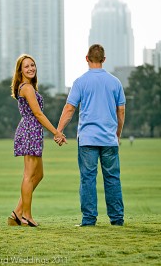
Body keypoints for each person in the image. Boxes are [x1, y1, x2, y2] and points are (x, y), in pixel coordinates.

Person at [55, 44, 126, 226]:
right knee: (112, 178)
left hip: (87, 139)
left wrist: (59, 131)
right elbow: (121, 112)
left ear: (86, 58)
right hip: (109, 139)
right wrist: (117, 134)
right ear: (104, 59)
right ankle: (117, 220)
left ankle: (88, 220)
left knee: (87, 179)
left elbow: (70, 108)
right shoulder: (115, 82)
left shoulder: (80, 82)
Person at [8, 54, 66, 227]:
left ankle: (17, 213)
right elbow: (38, 114)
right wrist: (57, 132)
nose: (31, 68)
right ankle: (26, 216)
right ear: (20, 71)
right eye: (26, 66)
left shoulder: (28, 87)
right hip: (30, 131)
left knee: (38, 175)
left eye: (32, 65)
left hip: (33, 131)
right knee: (28, 174)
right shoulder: (26, 88)